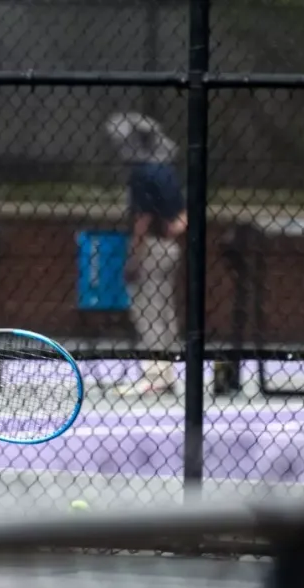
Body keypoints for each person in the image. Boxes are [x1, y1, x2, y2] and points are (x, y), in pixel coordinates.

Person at [104, 112, 187, 396]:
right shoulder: (167, 170)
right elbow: (181, 215)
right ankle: (166, 372)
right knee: (164, 311)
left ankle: (154, 375)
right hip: (170, 246)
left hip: (151, 246)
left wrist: (134, 254)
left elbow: (143, 216)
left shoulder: (142, 172)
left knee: (148, 311)